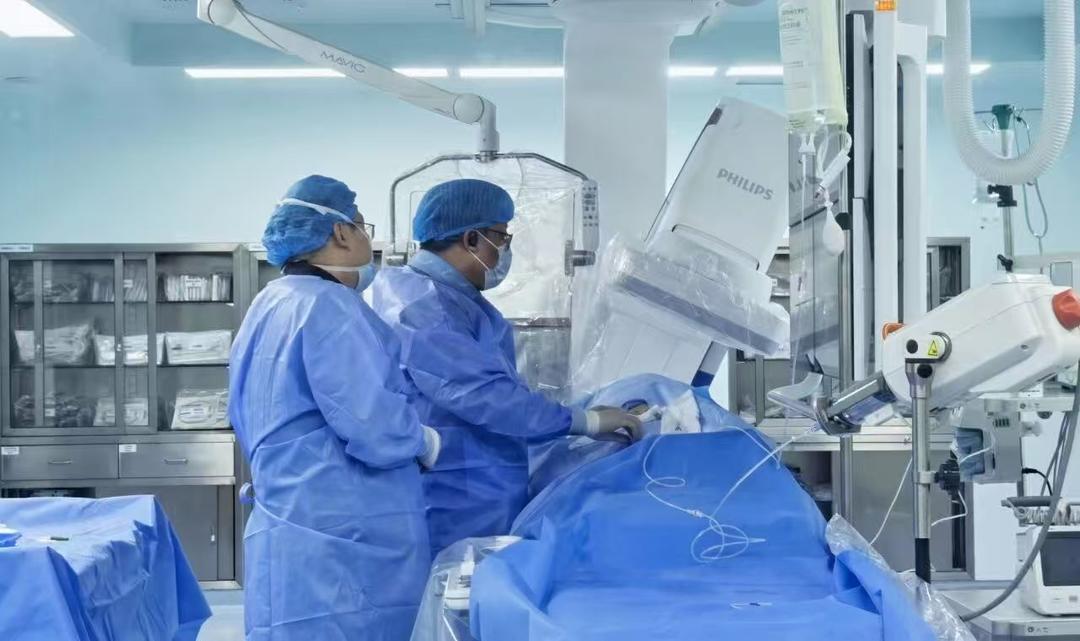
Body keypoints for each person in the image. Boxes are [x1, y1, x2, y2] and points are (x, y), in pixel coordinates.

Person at [372, 178, 642, 556]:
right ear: (471, 239)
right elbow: (487, 397)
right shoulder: (424, 306)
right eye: (501, 238)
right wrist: (588, 421)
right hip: (455, 493)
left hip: (472, 482)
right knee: (457, 582)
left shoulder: (449, 299)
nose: (504, 251)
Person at [229, 175, 441, 641]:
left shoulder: (268, 303)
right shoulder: (329, 307)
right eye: (362, 226)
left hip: (287, 522)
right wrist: (422, 440)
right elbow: (372, 425)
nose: (367, 239)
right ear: (342, 232)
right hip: (343, 532)